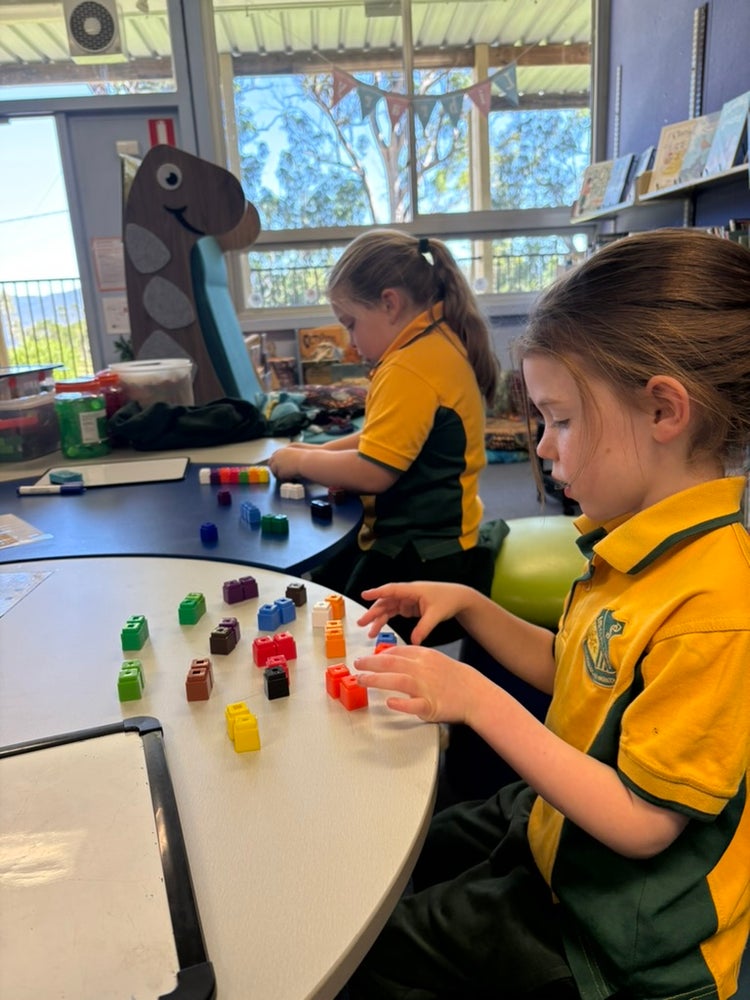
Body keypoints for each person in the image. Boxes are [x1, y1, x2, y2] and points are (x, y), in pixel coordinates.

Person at [344, 228, 750, 1000]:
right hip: (557, 831)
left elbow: (642, 822)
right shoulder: (638, 545)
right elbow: (580, 669)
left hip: (614, 941)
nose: (542, 446)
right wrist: (473, 607)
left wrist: (476, 699)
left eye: (560, 419)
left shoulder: (715, 607)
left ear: (663, 409)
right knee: (400, 848)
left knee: (371, 954)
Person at [268, 229, 501, 644]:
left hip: (425, 556)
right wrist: (316, 450)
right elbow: (379, 438)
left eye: (351, 325)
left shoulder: (408, 367)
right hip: (444, 538)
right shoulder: (434, 342)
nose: (352, 342)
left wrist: (302, 461)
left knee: (333, 615)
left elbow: (374, 470)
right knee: (330, 574)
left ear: (390, 303)